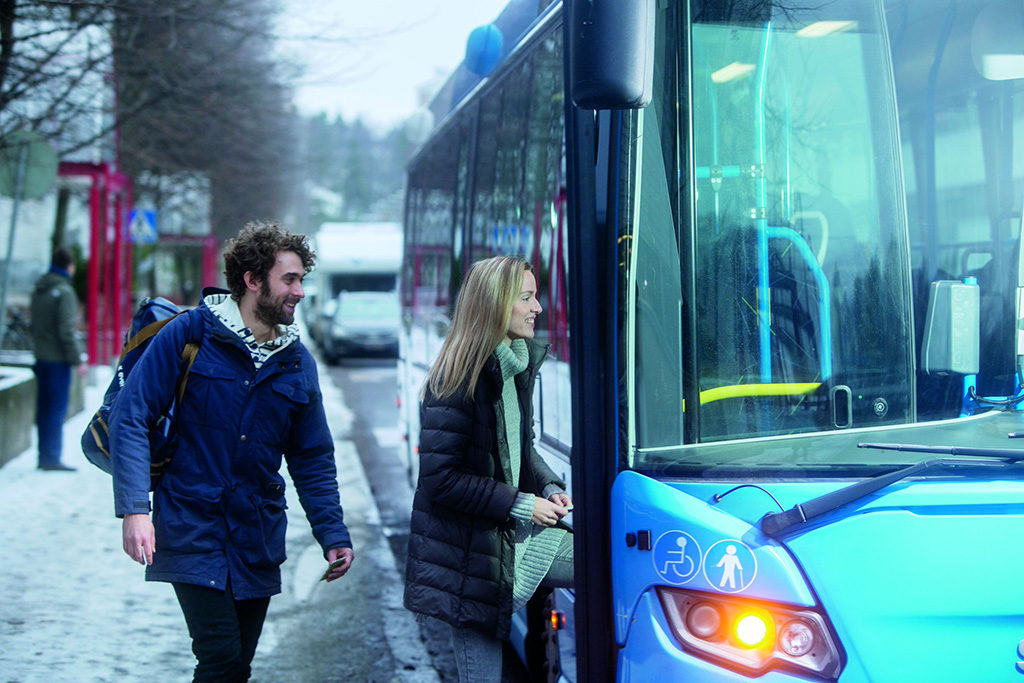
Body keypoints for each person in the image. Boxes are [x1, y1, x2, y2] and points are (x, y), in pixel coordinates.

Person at [108, 221, 355, 682]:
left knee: (236, 665)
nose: (300, 291)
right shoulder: (190, 335)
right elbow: (132, 416)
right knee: (220, 659)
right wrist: (135, 509)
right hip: (190, 525)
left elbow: (312, 457)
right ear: (252, 280)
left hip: (255, 534)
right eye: (290, 279)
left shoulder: (296, 360)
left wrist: (333, 533)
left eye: (302, 279)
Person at [404, 255, 574, 682]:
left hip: (501, 543)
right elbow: (440, 480)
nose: (538, 308)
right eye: (527, 298)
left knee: (603, 561)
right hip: (471, 559)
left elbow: (521, 447)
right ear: (495, 305)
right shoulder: (457, 377)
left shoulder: (515, 364)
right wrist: (522, 504)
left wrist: (549, 485)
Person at [29, 246, 84, 471]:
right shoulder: (64, 291)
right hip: (58, 360)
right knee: (56, 409)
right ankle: (52, 458)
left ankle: (44, 455)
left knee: (43, 408)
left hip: (41, 357)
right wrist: (77, 360)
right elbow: (66, 330)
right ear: (69, 267)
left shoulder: (40, 289)